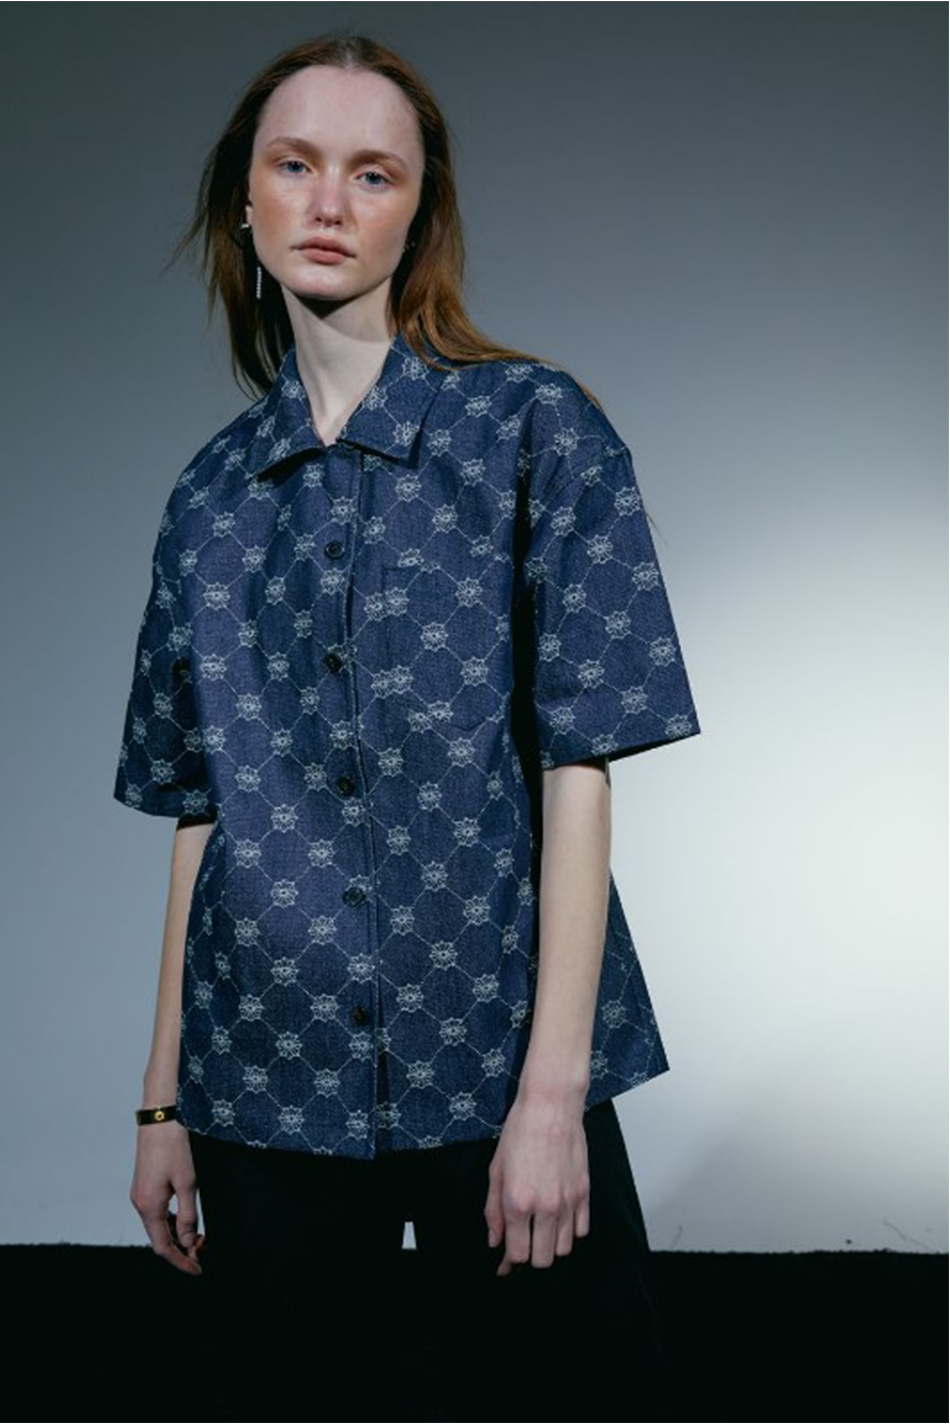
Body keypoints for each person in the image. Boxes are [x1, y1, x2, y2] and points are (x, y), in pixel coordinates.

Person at [116, 31, 701, 1420]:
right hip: (262, 1078)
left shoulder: (537, 431)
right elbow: (202, 813)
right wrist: (162, 1104)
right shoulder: (207, 501)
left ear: (418, 211)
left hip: (493, 1055)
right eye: (295, 165)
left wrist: (550, 1099)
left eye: (372, 174)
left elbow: (577, 768)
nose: (329, 202)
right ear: (243, 202)